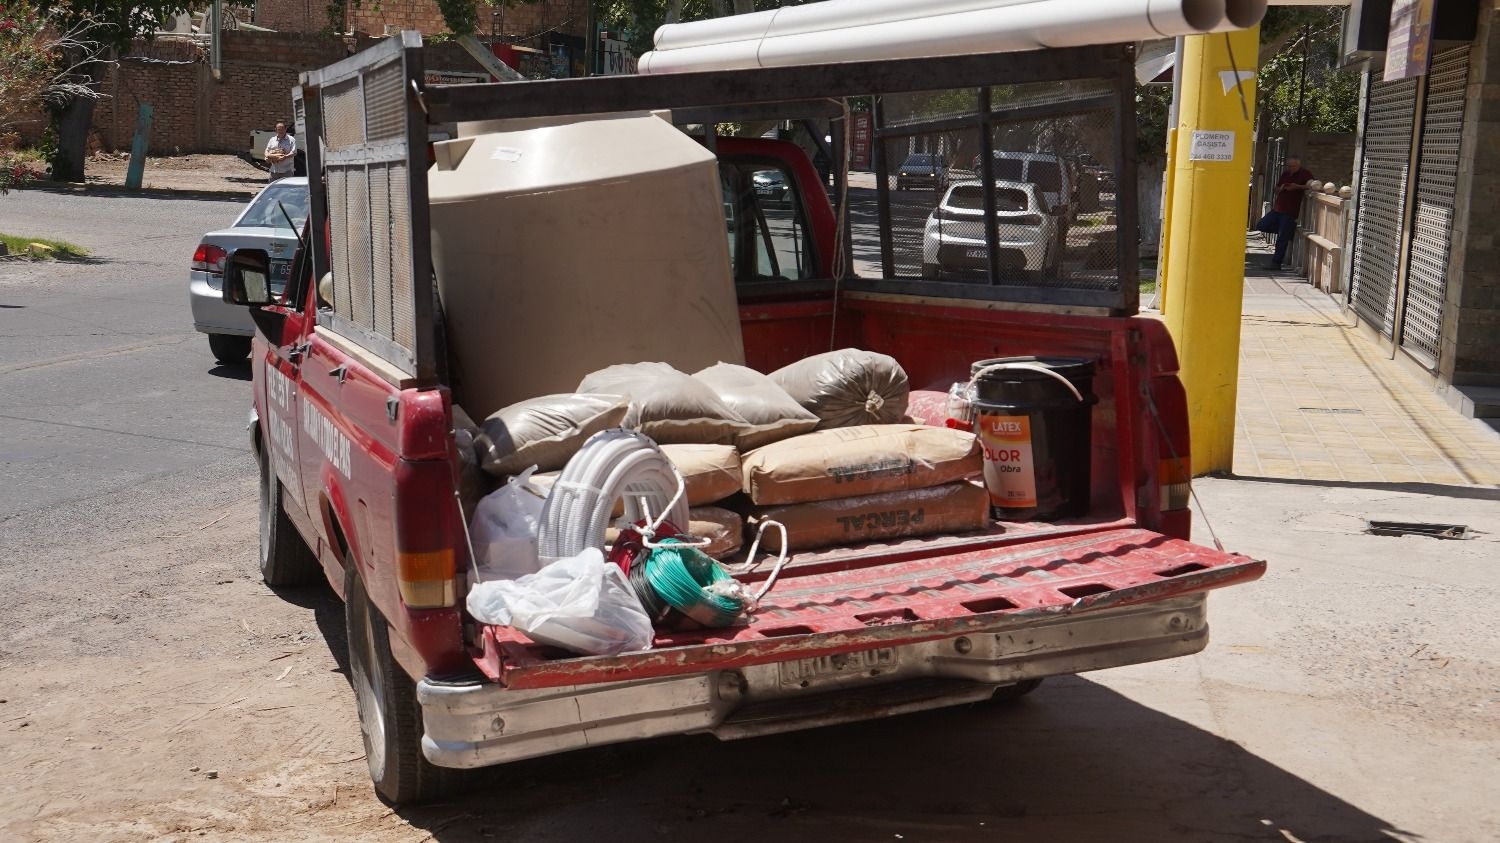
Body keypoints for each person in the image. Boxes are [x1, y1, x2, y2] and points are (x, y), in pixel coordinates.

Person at [1253, 156, 1314, 270]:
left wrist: (1297, 187)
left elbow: (1312, 186)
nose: (1291, 168)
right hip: (1278, 209)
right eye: (1289, 166)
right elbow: (1276, 187)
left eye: (1293, 166)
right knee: (1261, 225)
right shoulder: (1285, 174)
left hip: (1290, 212)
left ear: (1298, 165)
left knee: (1281, 239)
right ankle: (1288, 232)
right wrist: (1279, 189)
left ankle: (1276, 263)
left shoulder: (1305, 174)